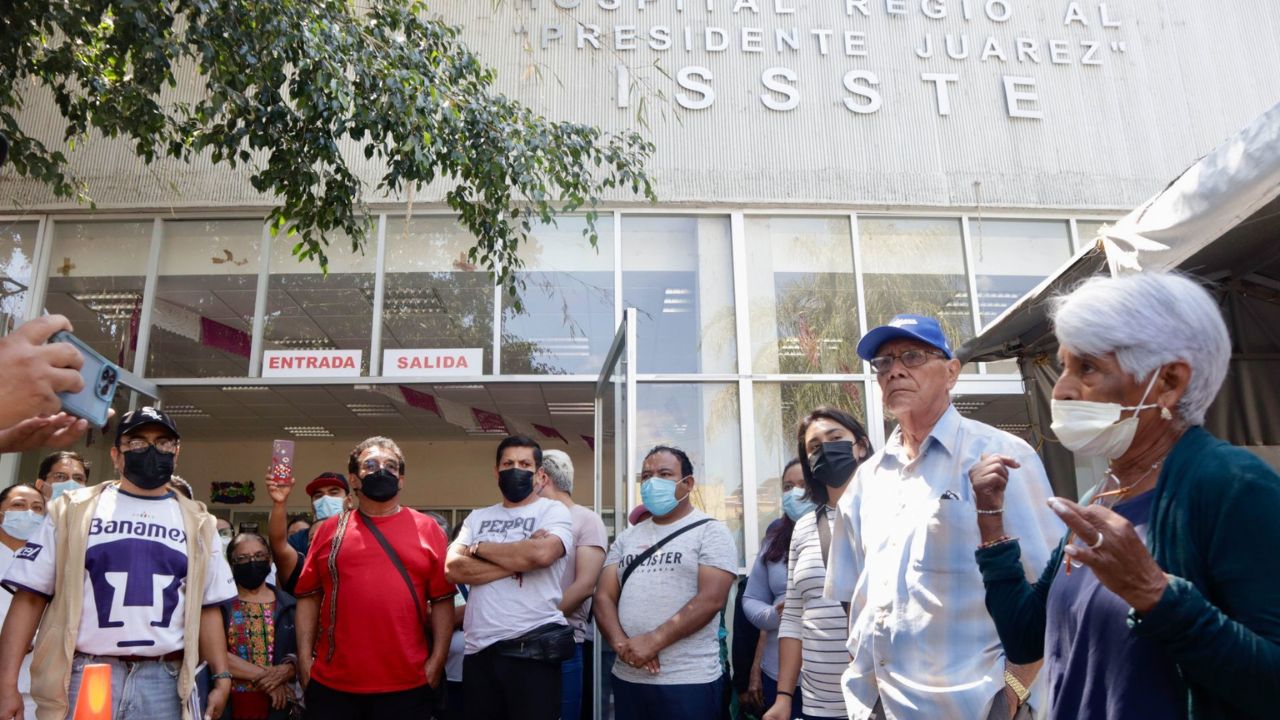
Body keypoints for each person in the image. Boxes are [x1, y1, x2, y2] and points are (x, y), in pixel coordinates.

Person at [972, 272, 1280, 719]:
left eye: (1088, 368)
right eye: (1064, 367)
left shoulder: (1231, 485)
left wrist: (1155, 593)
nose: (1062, 389)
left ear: (1169, 382)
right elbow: (1025, 638)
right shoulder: (1105, 496)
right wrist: (990, 520)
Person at [824, 315, 1064, 720]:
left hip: (975, 704)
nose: (895, 370)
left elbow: (1052, 590)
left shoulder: (1002, 456)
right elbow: (856, 595)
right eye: (883, 363)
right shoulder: (868, 479)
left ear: (952, 372)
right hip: (881, 704)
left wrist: (1015, 691)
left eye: (912, 356)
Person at [0, 406, 236, 720]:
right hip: (87, 672)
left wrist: (221, 674)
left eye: (163, 442)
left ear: (176, 453)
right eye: (137, 442)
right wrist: (6, 684)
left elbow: (207, 606)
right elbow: (30, 597)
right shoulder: (72, 510)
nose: (152, 450)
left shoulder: (199, 522)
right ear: (115, 455)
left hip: (164, 678)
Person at [293, 436, 454, 719]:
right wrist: (305, 661)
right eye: (370, 465)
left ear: (401, 480)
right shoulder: (329, 530)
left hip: (409, 683)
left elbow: (441, 600)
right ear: (354, 479)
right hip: (333, 684)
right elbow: (308, 597)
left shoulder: (427, 529)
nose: (382, 471)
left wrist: (437, 661)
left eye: (390, 466)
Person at [593, 445, 738, 720]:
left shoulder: (711, 531)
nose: (652, 482)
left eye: (664, 474)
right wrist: (622, 645)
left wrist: (653, 641)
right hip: (628, 676)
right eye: (646, 476)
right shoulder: (627, 537)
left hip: (688, 680)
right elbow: (603, 597)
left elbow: (711, 600)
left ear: (688, 483)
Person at [445, 435, 574, 720]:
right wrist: (520, 559)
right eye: (508, 463)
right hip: (479, 653)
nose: (516, 469)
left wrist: (480, 549)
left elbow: (541, 556)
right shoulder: (477, 518)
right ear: (496, 471)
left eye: (524, 463)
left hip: (532, 651)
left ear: (540, 474)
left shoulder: (552, 511)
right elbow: (453, 568)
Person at [766, 410, 872, 720]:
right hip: (818, 705)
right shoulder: (803, 528)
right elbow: (794, 617)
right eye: (814, 446)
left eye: (836, 438)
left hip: (882, 700)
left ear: (861, 446)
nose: (825, 448)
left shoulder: (892, 512)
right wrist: (784, 696)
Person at [536, 449, 607, 720]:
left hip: (561, 641)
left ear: (543, 478)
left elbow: (585, 586)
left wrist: (535, 620)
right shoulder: (533, 520)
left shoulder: (586, 520)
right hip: (520, 643)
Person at [744, 460, 802, 717]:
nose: (795, 493)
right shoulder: (774, 538)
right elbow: (751, 598)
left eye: (803, 485)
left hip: (831, 673)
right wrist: (774, 615)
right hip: (777, 674)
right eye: (788, 486)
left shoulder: (845, 527)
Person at [221, 533, 297, 720]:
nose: (252, 562)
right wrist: (271, 680)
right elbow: (212, 653)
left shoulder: (290, 606)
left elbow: (304, 652)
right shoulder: (219, 605)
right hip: (228, 705)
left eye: (258, 556)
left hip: (279, 707)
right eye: (243, 558)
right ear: (231, 563)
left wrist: (288, 670)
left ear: (269, 559)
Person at [0, 485, 45, 720]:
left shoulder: (48, 565)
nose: (29, 513)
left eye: (38, 508)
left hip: (32, 688)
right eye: (19, 505)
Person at [265, 472, 348, 595]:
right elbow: (278, 545)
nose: (325, 498)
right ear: (312, 505)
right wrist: (279, 503)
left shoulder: (362, 533)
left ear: (349, 500)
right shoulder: (299, 538)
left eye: (333, 493)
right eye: (318, 495)